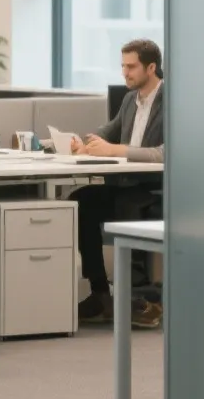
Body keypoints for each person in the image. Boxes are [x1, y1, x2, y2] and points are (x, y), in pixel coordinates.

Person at [68, 39, 165, 325]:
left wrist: (116, 150)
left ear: (151, 67)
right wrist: (85, 143)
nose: (125, 72)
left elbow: (165, 153)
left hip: (157, 188)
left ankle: (141, 299)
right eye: (123, 66)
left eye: (131, 66)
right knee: (82, 200)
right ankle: (100, 293)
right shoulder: (129, 99)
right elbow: (107, 132)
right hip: (128, 183)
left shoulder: (172, 99)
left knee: (126, 203)